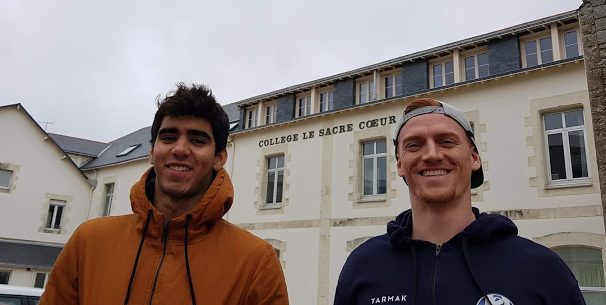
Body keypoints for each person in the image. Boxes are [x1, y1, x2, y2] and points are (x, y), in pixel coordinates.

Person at [40, 83, 289, 305]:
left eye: (197, 140)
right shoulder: (89, 243)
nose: (180, 149)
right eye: (169, 137)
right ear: (151, 152)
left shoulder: (255, 263)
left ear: (219, 158)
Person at [334, 98, 585, 305]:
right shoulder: (363, 264)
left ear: (474, 158)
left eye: (446, 141)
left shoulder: (540, 268)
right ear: (400, 164)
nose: (431, 154)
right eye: (414, 145)